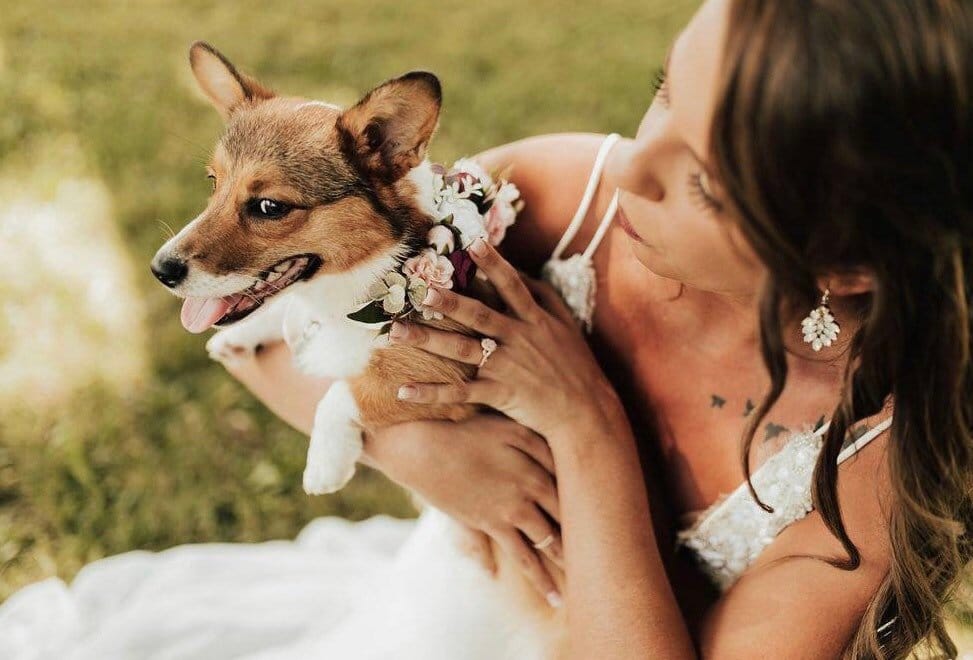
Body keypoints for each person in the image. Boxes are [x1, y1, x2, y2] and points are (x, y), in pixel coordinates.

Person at [2, 0, 970, 657]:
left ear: (844, 266)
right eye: (664, 88)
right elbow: (258, 343)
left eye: (704, 183)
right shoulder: (562, 200)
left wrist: (588, 429)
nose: (633, 161)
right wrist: (418, 450)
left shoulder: (878, 470)